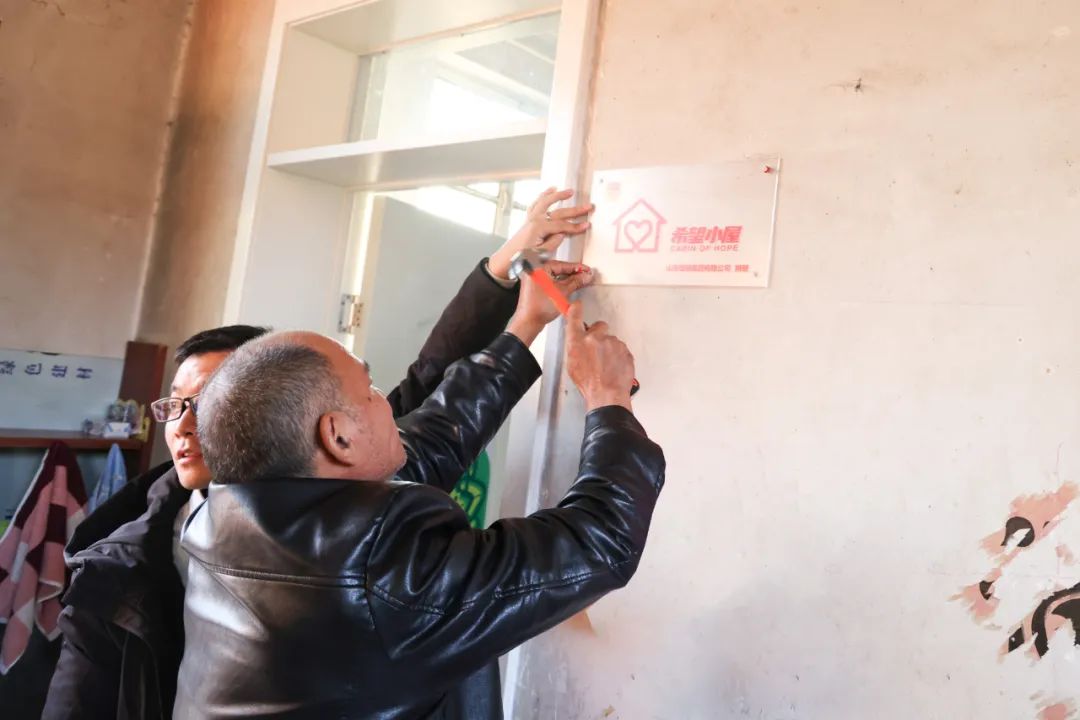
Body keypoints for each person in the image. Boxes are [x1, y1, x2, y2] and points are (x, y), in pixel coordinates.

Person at [42, 189, 594, 720]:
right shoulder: (118, 569)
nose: (187, 426)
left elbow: (431, 393)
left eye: (213, 404)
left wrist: (503, 273)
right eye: (177, 406)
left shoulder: (346, 497)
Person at [173, 297, 666, 719]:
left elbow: (429, 443)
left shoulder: (208, 517)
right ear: (338, 437)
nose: (387, 404)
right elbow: (598, 541)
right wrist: (608, 398)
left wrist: (525, 326)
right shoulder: (381, 571)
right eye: (369, 392)